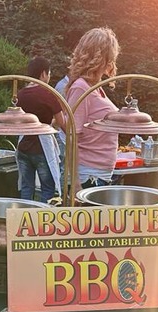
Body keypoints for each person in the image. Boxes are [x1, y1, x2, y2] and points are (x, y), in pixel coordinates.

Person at [64, 27, 120, 190]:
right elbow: (72, 136)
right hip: (87, 176)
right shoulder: (81, 88)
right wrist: (75, 183)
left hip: (98, 174)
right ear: (103, 57)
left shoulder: (95, 87)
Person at [15, 56, 64, 202]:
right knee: (47, 189)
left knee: (26, 188)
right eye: (49, 74)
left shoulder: (20, 94)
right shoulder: (48, 93)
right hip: (42, 148)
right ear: (43, 73)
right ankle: (43, 222)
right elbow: (63, 123)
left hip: (23, 146)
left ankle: (22, 219)